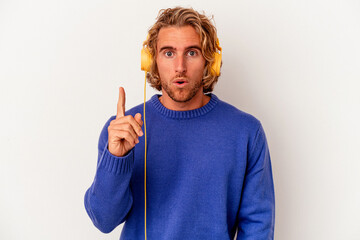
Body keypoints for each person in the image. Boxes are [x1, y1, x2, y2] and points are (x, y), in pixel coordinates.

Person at [84, 7, 275, 240]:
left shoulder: (246, 132)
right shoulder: (123, 129)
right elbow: (104, 220)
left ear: (210, 61)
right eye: (168, 53)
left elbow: (258, 226)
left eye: (192, 53)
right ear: (151, 61)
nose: (180, 67)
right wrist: (116, 158)